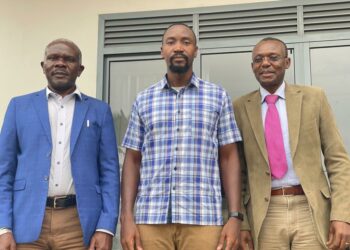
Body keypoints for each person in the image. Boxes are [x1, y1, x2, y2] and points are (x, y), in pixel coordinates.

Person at [120, 23, 242, 250]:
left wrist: (235, 216)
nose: (178, 47)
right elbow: (132, 159)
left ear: (195, 50)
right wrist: (126, 216)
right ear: (162, 51)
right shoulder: (143, 100)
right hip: (150, 218)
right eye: (171, 42)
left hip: (203, 217)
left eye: (186, 42)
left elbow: (229, 157)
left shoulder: (218, 96)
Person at [0, 38, 120, 250]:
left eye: (68, 59)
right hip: (26, 221)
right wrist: (3, 227)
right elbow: (4, 171)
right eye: (53, 58)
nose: (60, 63)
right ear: (43, 66)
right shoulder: (19, 107)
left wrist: (105, 227)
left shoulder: (99, 111)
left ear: (80, 69)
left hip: (78, 225)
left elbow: (109, 173)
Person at [233, 37, 350, 250]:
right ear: (252, 67)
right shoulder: (240, 107)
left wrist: (342, 215)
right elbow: (236, 172)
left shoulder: (314, 97)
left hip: (310, 207)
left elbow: (338, 160)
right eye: (258, 59)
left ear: (287, 63)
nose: (265, 63)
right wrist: (242, 223)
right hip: (265, 212)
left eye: (273, 57)